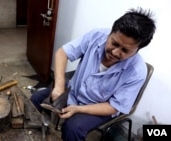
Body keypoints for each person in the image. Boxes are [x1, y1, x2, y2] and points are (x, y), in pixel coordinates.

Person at [30, 7, 156, 141]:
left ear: (136, 51)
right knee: (36, 99)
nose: (115, 52)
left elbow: (113, 107)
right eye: (114, 43)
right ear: (110, 33)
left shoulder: (137, 72)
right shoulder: (96, 36)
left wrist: (78, 110)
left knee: (73, 129)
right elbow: (62, 53)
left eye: (125, 50)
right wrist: (59, 86)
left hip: (98, 107)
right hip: (73, 92)